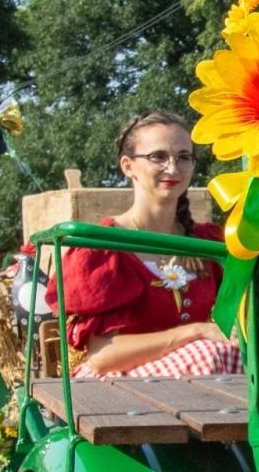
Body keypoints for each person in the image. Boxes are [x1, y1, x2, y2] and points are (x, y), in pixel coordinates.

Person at [47, 110, 240, 378]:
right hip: (115, 386)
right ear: (128, 166)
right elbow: (103, 357)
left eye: (183, 157)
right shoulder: (103, 248)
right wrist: (195, 332)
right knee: (208, 355)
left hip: (197, 381)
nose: (172, 168)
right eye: (157, 157)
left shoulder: (205, 241)